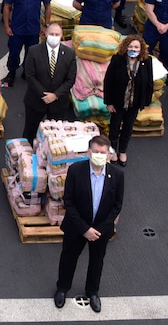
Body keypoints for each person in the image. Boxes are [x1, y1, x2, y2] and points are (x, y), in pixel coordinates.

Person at [54, 135, 123, 315]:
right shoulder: (76, 170)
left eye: (103, 152)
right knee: (69, 257)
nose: (99, 155)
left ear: (109, 155)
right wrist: (85, 229)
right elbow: (68, 202)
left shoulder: (117, 175)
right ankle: (62, 288)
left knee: (97, 261)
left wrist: (99, 229)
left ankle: (92, 291)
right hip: (77, 228)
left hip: (101, 230)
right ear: (88, 152)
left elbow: (117, 206)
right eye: (96, 152)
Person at [103, 36, 154, 167]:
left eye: (136, 47)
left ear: (141, 49)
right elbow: (108, 81)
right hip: (118, 102)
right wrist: (108, 102)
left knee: (128, 127)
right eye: (130, 46)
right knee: (114, 127)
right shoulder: (117, 59)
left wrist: (146, 102)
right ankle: (113, 150)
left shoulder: (146, 61)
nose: (133, 49)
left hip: (134, 103)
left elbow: (149, 82)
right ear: (125, 47)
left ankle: (123, 151)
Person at [22, 23, 77, 143]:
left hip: (58, 103)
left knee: (55, 136)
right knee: (30, 132)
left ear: (61, 35)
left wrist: (55, 95)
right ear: (46, 34)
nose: (54, 36)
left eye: (57, 34)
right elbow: (30, 76)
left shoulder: (69, 54)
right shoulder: (34, 51)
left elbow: (70, 79)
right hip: (35, 101)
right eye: (51, 34)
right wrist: (44, 95)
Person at [2, 0, 52, 86]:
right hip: (17, 28)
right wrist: (7, 26)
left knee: (31, 54)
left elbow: (48, 6)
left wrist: (46, 25)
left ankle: (27, 72)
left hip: (33, 29)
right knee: (14, 52)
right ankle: (11, 72)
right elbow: (7, 6)